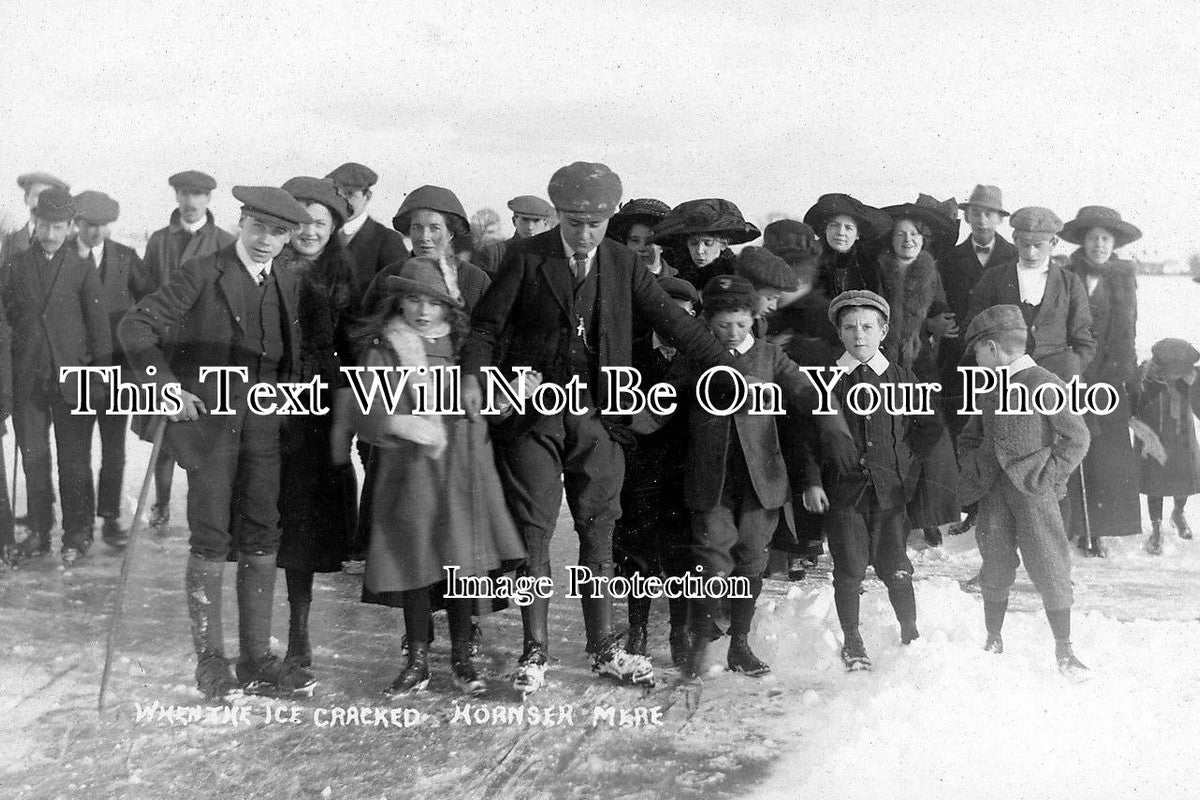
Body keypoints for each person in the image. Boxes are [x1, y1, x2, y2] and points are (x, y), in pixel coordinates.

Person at [462, 162, 857, 693]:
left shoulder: (623, 263)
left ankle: (603, 649)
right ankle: (534, 651)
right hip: (536, 415)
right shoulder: (526, 257)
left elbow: (679, 326)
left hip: (601, 416)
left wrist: (736, 365)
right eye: (574, 222)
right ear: (558, 215)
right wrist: (477, 377)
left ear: (608, 220)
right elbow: (486, 326)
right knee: (535, 529)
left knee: (598, 531)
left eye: (595, 224)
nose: (584, 234)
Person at [120, 186, 313, 699]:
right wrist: (165, 387)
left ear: (289, 236)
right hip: (211, 430)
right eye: (259, 228)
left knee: (262, 533)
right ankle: (211, 663)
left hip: (265, 430)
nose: (267, 240)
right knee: (209, 537)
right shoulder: (205, 271)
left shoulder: (285, 283)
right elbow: (136, 326)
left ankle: (255, 660)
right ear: (242, 223)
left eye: (279, 232)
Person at [344, 258, 527, 697]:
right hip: (409, 469)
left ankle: (463, 656)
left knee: (463, 560)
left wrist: (508, 397)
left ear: (451, 306)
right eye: (412, 300)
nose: (423, 312)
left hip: (464, 465)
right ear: (397, 301)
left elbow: (486, 397)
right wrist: (404, 423)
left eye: (433, 302)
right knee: (416, 559)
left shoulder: (467, 347)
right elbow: (367, 411)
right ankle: (418, 657)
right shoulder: (386, 346)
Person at [676, 275, 839, 680]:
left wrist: (829, 415)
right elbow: (668, 396)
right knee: (712, 558)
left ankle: (741, 644)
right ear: (707, 322)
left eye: (741, 324)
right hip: (710, 477)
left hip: (760, 478)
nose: (733, 333)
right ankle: (698, 639)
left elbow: (805, 391)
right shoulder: (696, 355)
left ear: (754, 320)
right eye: (722, 325)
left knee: (752, 557)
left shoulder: (769, 357)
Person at [353, 185, 491, 582]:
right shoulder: (389, 277)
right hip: (402, 409)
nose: (425, 237)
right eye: (416, 228)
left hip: (457, 411)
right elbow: (367, 334)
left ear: (452, 231)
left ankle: (462, 601)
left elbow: (486, 339)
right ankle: (413, 604)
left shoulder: (475, 280)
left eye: (434, 227)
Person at [805, 291, 938, 671]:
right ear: (840, 333)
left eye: (867, 326)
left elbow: (927, 427)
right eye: (850, 327)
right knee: (848, 566)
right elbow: (809, 439)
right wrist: (813, 480)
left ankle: (910, 631)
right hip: (844, 492)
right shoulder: (827, 381)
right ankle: (853, 639)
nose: (859, 335)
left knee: (896, 563)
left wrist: (906, 463)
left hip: (891, 491)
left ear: (883, 331)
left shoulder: (902, 378)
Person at [956, 305, 1091, 673]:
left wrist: (1047, 476)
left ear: (993, 349)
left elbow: (1076, 438)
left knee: (1049, 565)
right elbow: (972, 436)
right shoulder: (990, 389)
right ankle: (993, 637)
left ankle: (1064, 649)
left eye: (978, 353)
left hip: (1034, 495)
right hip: (994, 493)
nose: (976, 360)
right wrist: (974, 468)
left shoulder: (1044, 382)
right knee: (995, 562)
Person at [272, 176, 361, 695]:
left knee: (304, 526)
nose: (309, 231)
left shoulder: (342, 274)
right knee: (270, 521)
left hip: (320, 407)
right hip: (268, 397)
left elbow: (353, 347)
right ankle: (275, 637)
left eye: (321, 223)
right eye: (300, 220)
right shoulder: (267, 268)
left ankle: (299, 635)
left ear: (334, 230)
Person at [967, 207, 1096, 542]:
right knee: (1002, 463)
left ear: (1053, 242)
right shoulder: (995, 278)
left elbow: (1083, 338)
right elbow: (976, 327)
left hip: (1052, 385)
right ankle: (996, 561)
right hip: (1003, 384)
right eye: (1024, 244)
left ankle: (1058, 560)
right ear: (1015, 240)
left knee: (1055, 472)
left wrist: (1069, 374)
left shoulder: (1069, 282)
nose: (1032, 251)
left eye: (1040, 245)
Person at [3, 188, 110, 566]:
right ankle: (37, 531)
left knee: (74, 461)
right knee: (33, 458)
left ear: (70, 227)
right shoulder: (14, 265)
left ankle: (77, 533)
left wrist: (99, 381)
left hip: (73, 381)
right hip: (28, 380)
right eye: (45, 225)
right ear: (35, 223)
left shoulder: (82, 269)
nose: (50, 234)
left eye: (59, 227)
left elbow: (99, 332)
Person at [139, 170, 237, 532]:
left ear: (209, 199)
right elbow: (148, 293)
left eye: (198, 195)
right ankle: (162, 502)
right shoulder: (160, 241)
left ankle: (205, 512)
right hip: (165, 351)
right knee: (162, 433)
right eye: (185, 193)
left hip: (205, 353)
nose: (191, 202)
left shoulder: (225, 241)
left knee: (204, 432)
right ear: (176, 196)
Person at [612, 275, 698, 666]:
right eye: (665, 315)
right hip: (637, 467)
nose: (672, 325)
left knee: (681, 553)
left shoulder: (700, 360)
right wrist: (633, 422)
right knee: (637, 551)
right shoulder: (626, 355)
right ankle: (639, 628)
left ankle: (680, 629)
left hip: (682, 468)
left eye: (683, 317)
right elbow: (610, 408)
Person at [876, 201, 960, 547]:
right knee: (890, 433)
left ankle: (929, 516)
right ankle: (896, 514)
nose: (907, 240)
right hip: (884, 359)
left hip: (922, 362)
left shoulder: (930, 271)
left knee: (929, 433)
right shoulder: (880, 269)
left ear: (923, 240)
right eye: (900, 234)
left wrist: (935, 326)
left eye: (913, 234)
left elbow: (941, 314)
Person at [1060, 206, 1143, 556]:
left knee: (1108, 454)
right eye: (1093, 238)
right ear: (1082, 241)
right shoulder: (1065, 274)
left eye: (1105, 239)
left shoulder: (1123, 279)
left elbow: (1129, 329)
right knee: (1075, 449)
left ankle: (1103, 529)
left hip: (1108, 379)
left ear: (1114, 244)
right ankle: (1076, 527)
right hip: (1073, 374)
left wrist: (1126, 370)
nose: (1099, 245)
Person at [72, 190, 146, 549]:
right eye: (89, 225)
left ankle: (110, 516)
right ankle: (82, 521)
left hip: (117, 371)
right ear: (77, 224)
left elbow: (150, 302)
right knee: (78, 449)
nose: (95, 233)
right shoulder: (65, 258)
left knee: (114, 448)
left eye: (102, 226)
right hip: (76, 371)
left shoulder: (127, 258)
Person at [1136, 339, 1200, 555]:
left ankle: (1178, 513)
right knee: (1155, 480)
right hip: (1154, 435)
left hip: (1182, 437)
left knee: (1183, 476)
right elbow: (1135, 406)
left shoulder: (1191, 378)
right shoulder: (1147, 377)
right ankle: (1156, 527)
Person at [325, 162, 409, 294]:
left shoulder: (387, 240)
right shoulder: (323, 235)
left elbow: (396, 297)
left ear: (367, 197)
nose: (342, 201)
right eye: (337, 194)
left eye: (349, 194)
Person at [652, 198, 760, 289]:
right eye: (694, 243)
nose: (699, 251)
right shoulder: (674, 273)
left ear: (723, 244)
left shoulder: (737, 275)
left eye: (707, 243)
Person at [803, 193, 890, 298]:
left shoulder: (867, 266)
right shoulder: (808, 261)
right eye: (834, 225)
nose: (841, 232)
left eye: (848, 228)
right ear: (825, 229)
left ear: (857, 234)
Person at [1, 172, 70, 272]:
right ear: (26, 199)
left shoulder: (68, 241)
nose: (42, 202)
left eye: (48, 197)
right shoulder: (10, 242)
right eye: (37, 195)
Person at [475, 195, 557, 276]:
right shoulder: (493, 254)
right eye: (525, 220)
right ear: (514, 221)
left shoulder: (554, 257)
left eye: (536, 221)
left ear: (545, 223)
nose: (530, 227)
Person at [734, 246, 799, 338]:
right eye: (770, 298)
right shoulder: (729, 323)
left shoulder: (761, 323)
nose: (774, 307)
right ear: (749, 291)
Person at [605, 197, 674, 276]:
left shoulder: (681, 281)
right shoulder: (610, 279)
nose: (641, 248)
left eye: (649, 241)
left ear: (662, 245)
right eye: (635, 241)